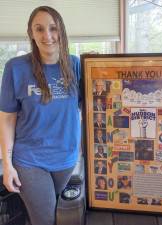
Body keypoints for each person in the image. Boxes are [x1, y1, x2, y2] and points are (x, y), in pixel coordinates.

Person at [0, 6, 81, 225]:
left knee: (52, 211)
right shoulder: (15, 68)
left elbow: (92, 106)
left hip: (67, 159)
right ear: (31, 34)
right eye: (39, 29)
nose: (47, 36)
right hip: (31, 160)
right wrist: (7, 165)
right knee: (45, 219)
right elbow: (7, 119)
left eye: (53, 28)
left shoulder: (75, 65)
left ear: (61, 32)